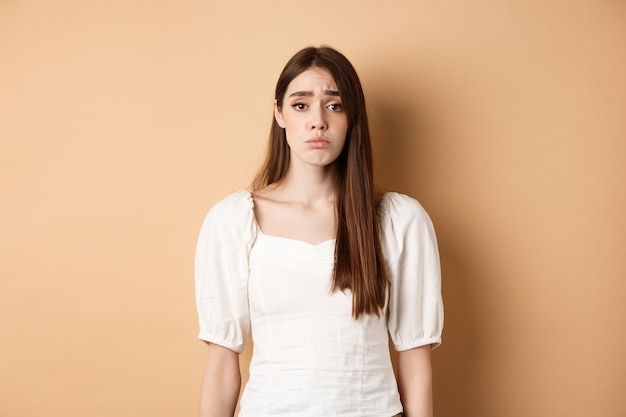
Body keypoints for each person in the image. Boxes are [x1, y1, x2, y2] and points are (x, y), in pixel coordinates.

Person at [194, 45, 443, 417]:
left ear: (351, 117)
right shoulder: (232, 220)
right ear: (279, 113)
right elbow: (222, 361)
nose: (317, 121)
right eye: (300, 105)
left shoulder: (399, 220)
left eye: (334, 105)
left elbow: (414, 357)